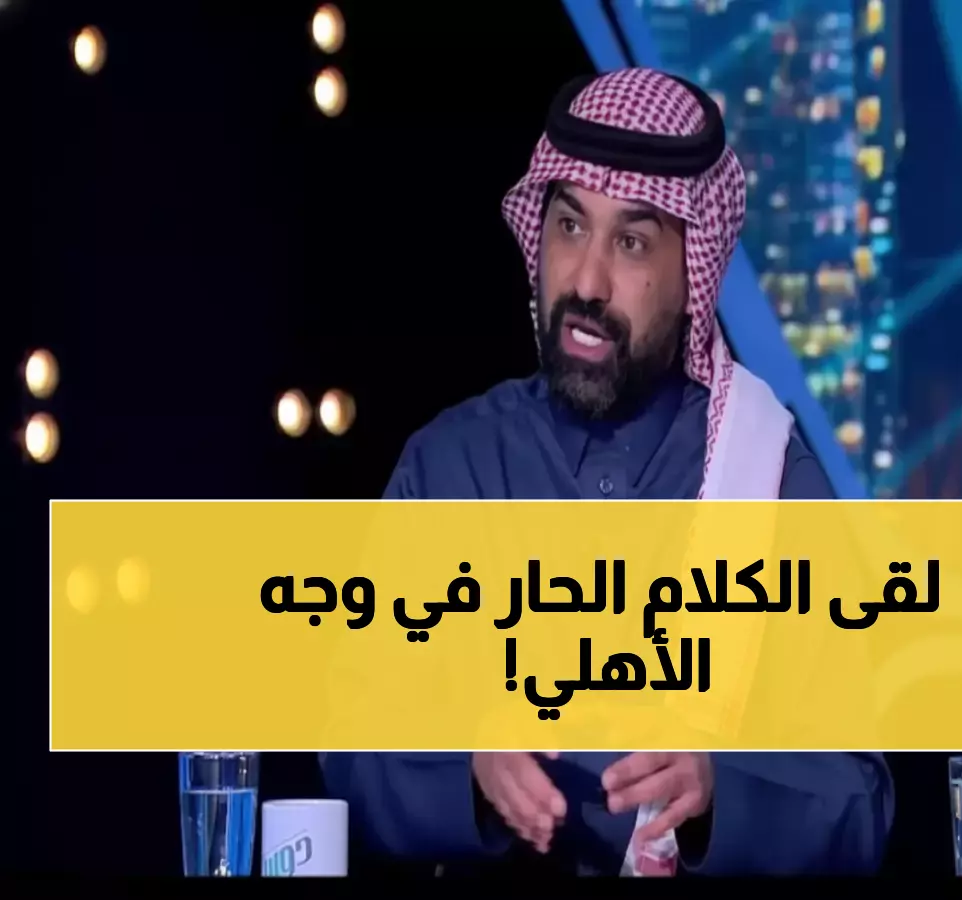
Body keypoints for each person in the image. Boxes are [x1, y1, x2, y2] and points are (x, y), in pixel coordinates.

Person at [321, 67, 893, 876]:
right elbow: (350, 752)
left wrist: (719, 792)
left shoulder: (768, 479)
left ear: (694, 274)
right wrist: (469, 770)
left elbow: (858, 802)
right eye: (569, 227)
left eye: (631, 243)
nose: (586, 283)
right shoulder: (452, 467)